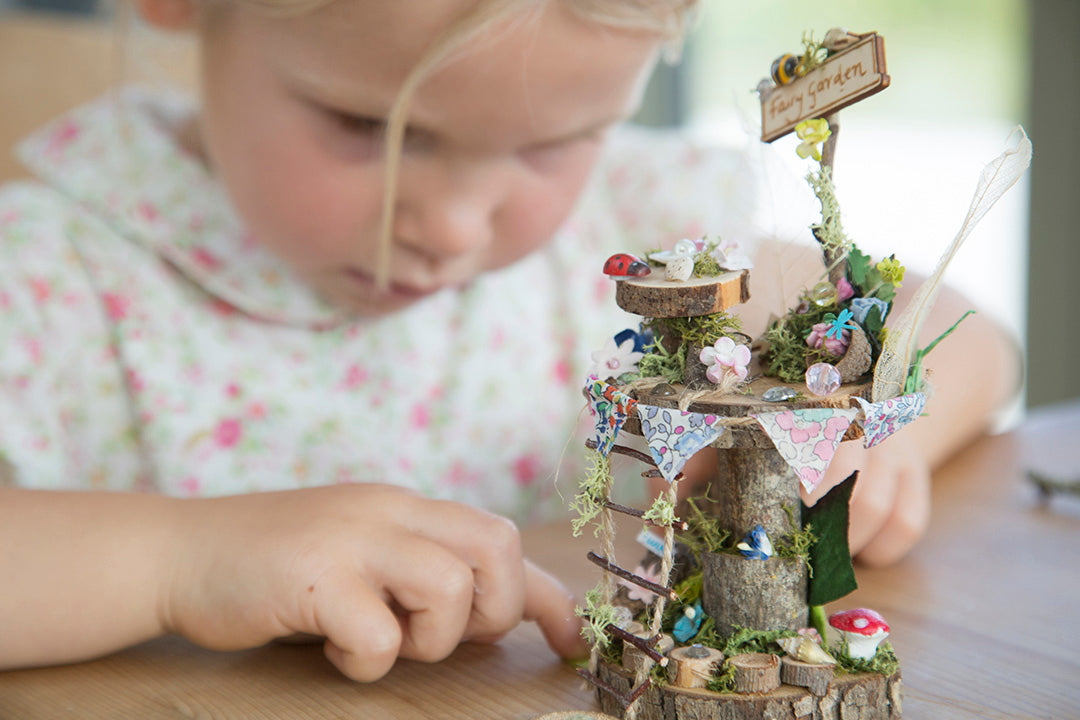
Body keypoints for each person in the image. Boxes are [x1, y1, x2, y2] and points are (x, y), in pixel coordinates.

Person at [0, 0, 1017, 682]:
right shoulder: (50, 277)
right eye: (368, 124)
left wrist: (874, 441)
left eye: (549, 141)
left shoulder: (635, 241)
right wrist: (179, 559)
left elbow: (964, 333)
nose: (450, 224)